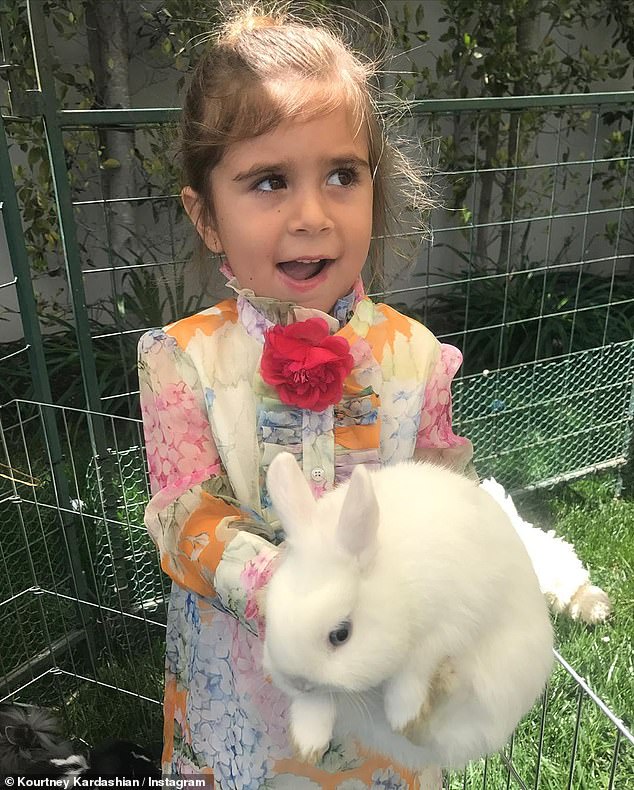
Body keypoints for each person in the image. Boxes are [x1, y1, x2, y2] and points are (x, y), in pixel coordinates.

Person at [138, 3, 474, 787]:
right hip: (243, 689)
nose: (312, 215)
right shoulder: (183, 361)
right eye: (268, 182)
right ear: (207, 217)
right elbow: (182, 512)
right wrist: (281, 585)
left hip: (378, 680)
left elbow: (438, 492)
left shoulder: (414, 358)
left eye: (341, 175)